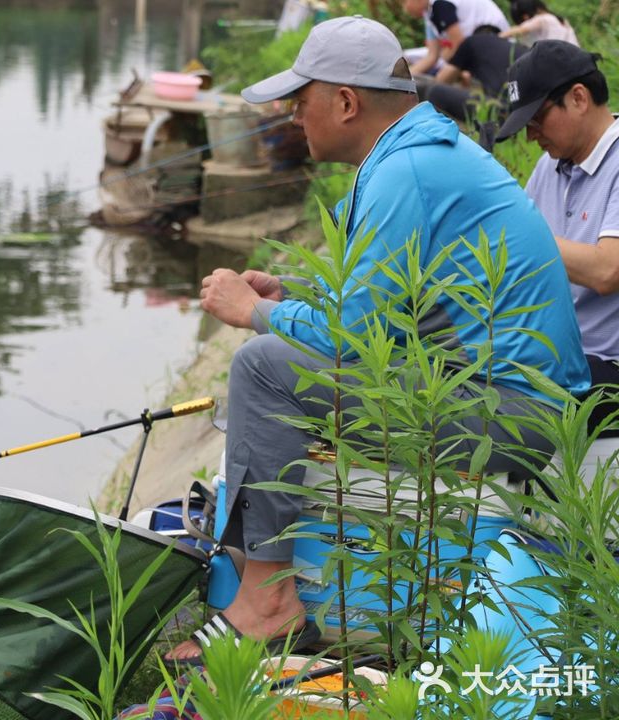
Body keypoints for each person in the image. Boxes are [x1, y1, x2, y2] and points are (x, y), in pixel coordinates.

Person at [164, 16, 590, 665]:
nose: (290, 114)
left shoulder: (406, 170)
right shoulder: (412, 152)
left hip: (515, 414)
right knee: (277, 356)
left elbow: (350, 335)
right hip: (500, 396)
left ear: (344, 102)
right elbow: (380, 312)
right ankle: (273, 585)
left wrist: (253, 311)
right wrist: (292, 297)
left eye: (300, 100)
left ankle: (267, 602)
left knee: (260, 367)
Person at [497, 41, 619, 433]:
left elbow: (607, 270)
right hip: (550, 355)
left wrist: (515, 234)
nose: (531, 136)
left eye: (537, 119)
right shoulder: (550, 167)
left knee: (495, 411)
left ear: (579, 97)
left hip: (605, 364)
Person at [428, 26, 526, 132]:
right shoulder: (518, 48)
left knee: (436, 92)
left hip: (505, 115)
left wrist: (459, 77)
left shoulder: (472, 41)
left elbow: (441, 79)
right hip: (529, 116)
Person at [402, 0, 509, 77]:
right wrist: (406, 78)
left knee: (442, 77)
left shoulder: (440, 5)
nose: (405, 10)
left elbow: (458, 45)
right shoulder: (428, 13)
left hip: (494, 38)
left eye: (404, 2)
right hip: (474, 42)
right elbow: (432, 56)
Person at [500, 0, 579, 46]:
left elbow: (521, 30)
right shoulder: (558, 19)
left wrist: (496, 37)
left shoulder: (542, 19)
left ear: (525, 17)